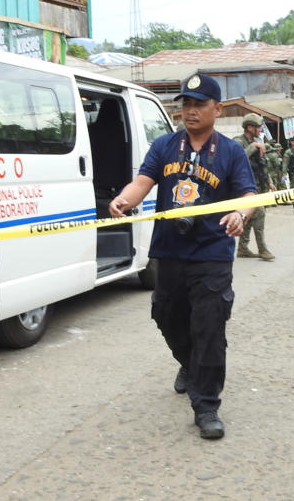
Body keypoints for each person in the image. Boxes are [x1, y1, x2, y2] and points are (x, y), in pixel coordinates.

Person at [108, 73, 258, 440]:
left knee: (209, 327)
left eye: (199, 104)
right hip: (170, 251)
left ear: (217, 109)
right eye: (185, 104)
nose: (189, 111)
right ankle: (189, 365)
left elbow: (248, 195)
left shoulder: (231, 151)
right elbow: (143, 181)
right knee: (166, 316)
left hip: (212, 253)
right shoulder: (164, 146)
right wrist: (125, 199)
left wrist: (240, 214)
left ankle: (206, 405)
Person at [234, 113, 276, 260]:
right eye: (258, 127)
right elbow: (237, 160)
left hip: (258, 186)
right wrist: (252, 147)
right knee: (259, 214)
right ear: (250, 127)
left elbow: (262, 164)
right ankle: (262, 249)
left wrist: (270, 181)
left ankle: (242, 248)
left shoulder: (258, 143)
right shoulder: (238, 142)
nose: (260, 130)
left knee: (250, 218)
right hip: (244, 189)